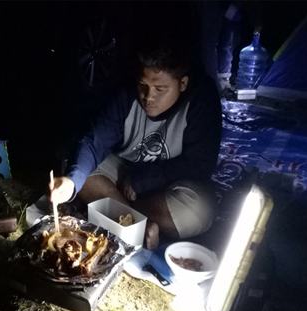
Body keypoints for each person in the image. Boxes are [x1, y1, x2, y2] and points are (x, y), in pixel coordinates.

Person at [49, 38, 222, 250]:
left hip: (168, 181)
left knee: (197, 213)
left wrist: (143, 180)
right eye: (143, 86)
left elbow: (200, 164)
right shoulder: (128, 92)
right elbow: (95, 142)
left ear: (183, 83)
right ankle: (136, 222)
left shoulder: (201, 99)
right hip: (123, 168)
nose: (148, 97)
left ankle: (113, 207)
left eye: (160, 89)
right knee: (74, 165)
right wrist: (72, 182)